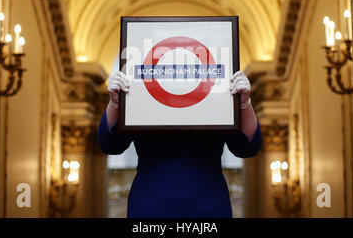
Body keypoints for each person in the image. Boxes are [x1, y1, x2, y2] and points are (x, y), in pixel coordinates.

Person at [97, 70, 262, 218]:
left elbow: (247, 147)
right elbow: (110, 144)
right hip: (150, 209)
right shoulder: (144, 100)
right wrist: (115, 104)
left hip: (207, 209)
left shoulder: (214, 101)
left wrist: (244, 104)